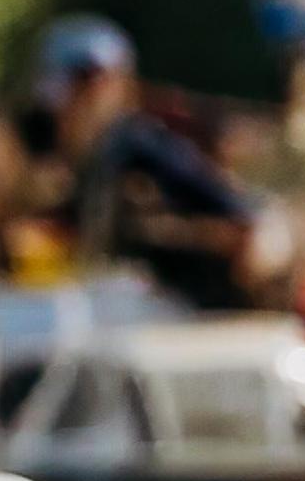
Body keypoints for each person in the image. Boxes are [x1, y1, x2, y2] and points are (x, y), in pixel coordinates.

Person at [29, 18, 263, 310]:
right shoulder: (93, 154)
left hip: (181, 308)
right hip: (132, 304)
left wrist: (164, 232)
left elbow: (237, 215)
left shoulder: (142, 147)